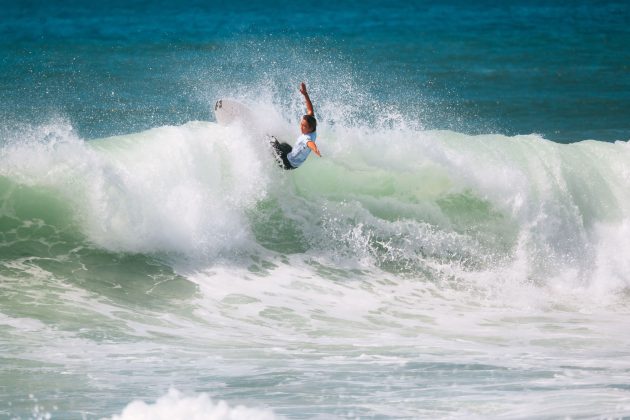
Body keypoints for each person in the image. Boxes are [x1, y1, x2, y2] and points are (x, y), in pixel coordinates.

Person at [270, 82, 321, 170]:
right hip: (294, 159)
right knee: (284, 145)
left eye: (304, 126)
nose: (301, 127)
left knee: (270, 139)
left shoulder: (306, 138)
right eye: (301, 124)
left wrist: (315, 149)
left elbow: (310, 143)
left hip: (287, 163)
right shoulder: (313, 127)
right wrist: (305, 94)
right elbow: (310, 110)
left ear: (310, 128)